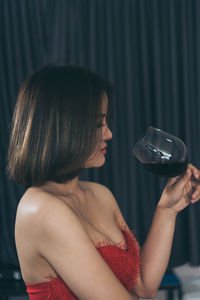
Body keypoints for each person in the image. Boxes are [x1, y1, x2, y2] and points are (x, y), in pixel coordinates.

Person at [7, 64, 200, 300]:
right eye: (99, 124)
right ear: (64, 127)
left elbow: (144, 286)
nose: (108, 134)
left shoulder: (99, 194)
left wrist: (167, 209)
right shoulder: (40, 209)